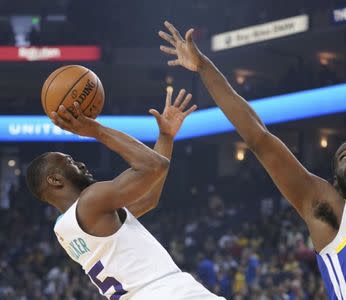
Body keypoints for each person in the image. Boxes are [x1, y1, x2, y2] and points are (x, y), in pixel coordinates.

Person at [159, 21, 346, 299]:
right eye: (344, 157)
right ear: (336, 180)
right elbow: (259, 138)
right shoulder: (329, 208)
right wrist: (203, 67)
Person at [26, 89, 225, 300]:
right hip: (169, 293)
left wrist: (166, 136)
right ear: (55, 180)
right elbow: (154, 165)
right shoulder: (90, 201)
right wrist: (95, 130)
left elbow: (149, 198)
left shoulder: (64, 228)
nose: (81, 164)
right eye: (70, 162)